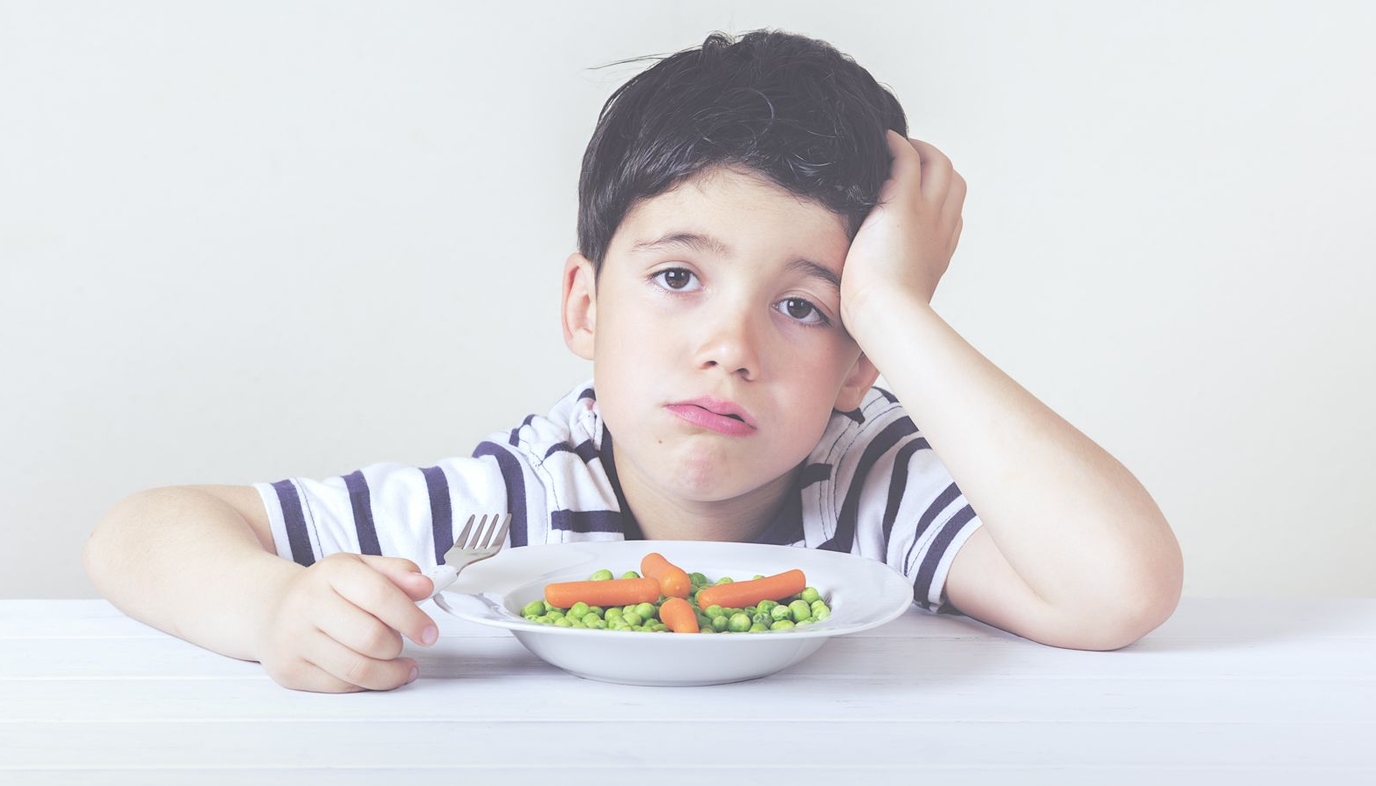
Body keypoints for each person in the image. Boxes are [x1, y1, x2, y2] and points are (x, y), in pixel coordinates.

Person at [83, 29, 1183, 693]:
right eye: (674, 279)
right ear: (582, 307)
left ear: (859, 366)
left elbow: (1117, 591)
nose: (728, 348)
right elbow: (140, 531)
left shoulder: (871, 491)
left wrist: (893, 307)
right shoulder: (515, 508)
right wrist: (278, 611)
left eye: (803, 307)